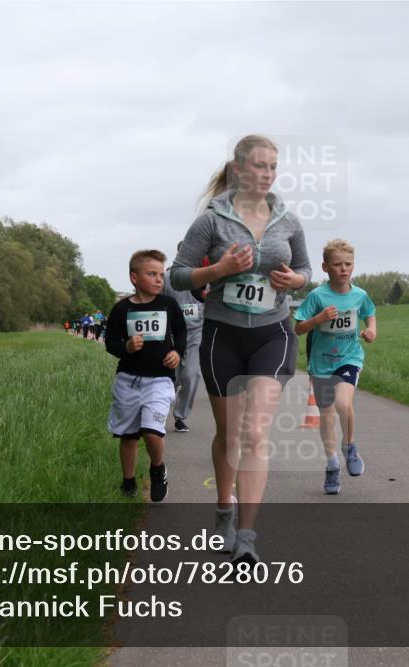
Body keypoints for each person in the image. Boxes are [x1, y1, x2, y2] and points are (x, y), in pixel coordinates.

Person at [170, 134, 312, 565]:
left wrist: (297, 281)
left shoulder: (288, 219)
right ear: (238, 169)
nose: (267, 175)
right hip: (222, 336)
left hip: (274, 333)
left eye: (273, 167)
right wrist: (219, 269)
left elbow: (306, 268)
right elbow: (178, 276)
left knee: (254, 435)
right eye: (259, 166)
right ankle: (224, 511)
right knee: (230, 436)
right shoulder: (211, 221)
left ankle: (247, 537)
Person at [293, 239, 376, 495]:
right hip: (321, 364)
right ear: (325, 267)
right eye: (337, 264)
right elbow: (298, 328)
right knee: (327, 415)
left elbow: (369, 312)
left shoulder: (359, 294)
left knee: (343, 403)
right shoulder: (317, 296)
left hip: (349, 358)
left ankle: (349, 446)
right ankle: (331, 465)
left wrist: (371, 329)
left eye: (348, 264)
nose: (343, 269)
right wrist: (318, 319)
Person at [105, 249, 187, 502]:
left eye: (161, 275)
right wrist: (126, 347)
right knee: (129, 436)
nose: (158, 279)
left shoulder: (168, 305)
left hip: (160, 380)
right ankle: (128, 482)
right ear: (134, 277)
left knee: (152, 430)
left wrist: (177, 352)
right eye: (152, 274)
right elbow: (110, 343)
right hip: (128, 380)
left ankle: (157, 468)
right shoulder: (121, 310)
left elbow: (181, 333)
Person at [162, 242, 205, 433]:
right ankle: (159, 413)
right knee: (172, 377)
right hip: (172, 335)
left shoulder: (204, 276)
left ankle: (180, 416)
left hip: (197, 333)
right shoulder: (167, 278)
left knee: (191, 375)